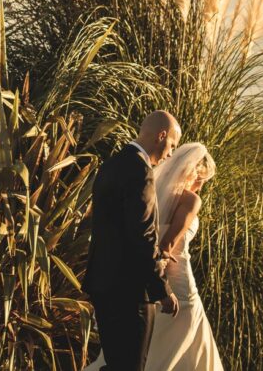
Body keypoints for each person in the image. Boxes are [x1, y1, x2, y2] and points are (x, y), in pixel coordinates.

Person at [86, 142, 224, 371]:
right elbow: (168, 244)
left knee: (141, 341)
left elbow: (139, 234)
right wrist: (162, 263)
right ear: (195, 173)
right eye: (202, 180)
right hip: (178, 277)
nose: (201, 187)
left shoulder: (153, 190)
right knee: (185, 330)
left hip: (145, 276)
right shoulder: (191, 200)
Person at [83, 110, 182, 371]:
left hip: (103, 284)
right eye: (172, 145)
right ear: (161, 136)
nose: (170, 154)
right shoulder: (140, 171)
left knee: (116, 364)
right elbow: (143, 236)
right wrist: (162, 289)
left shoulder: (110, 165)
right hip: (129, 291)